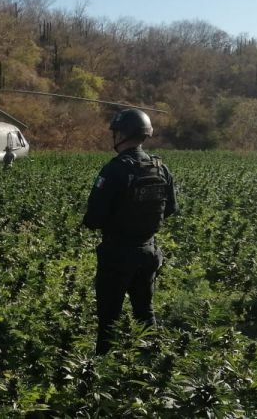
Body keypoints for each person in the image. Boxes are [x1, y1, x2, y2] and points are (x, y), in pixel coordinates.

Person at [83, 108, 176, 355]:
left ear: (122, 134)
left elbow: (94, 218)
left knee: (109, 318)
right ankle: (151, 364)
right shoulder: (160, 167)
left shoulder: (114, 170)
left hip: (117, 254)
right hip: (148, 252)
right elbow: (170, 208)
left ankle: (104, 373)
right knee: (144, 311)